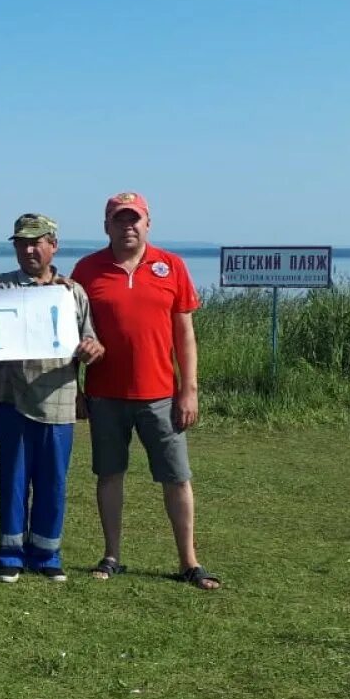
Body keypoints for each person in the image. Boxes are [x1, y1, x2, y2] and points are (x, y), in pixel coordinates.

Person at [71, 192, 221, 589]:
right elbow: (70, 334)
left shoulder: (171, 265)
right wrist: (76, 387)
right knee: (109, 475)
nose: (128, 226)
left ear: (148, 223)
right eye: (119, 219)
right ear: (107, 226)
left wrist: (189, 390)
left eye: (135, 219)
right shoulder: (87, 269)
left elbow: (185, 334)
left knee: (177, 477)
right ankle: (112, 554)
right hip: (104, 394)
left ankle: (189, 562)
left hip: (160, 396)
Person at [0, 214, 104, 582]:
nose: (29, 249)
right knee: (14, 479)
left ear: (53, 245)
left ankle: (46, 554)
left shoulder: (72, 292)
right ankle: (10, 555)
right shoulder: (3, 288)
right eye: (21, 242)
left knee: (53, 480)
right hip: (12, 398)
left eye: (36, 241)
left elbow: (92, 339)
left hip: (59, 399)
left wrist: (92, 348)